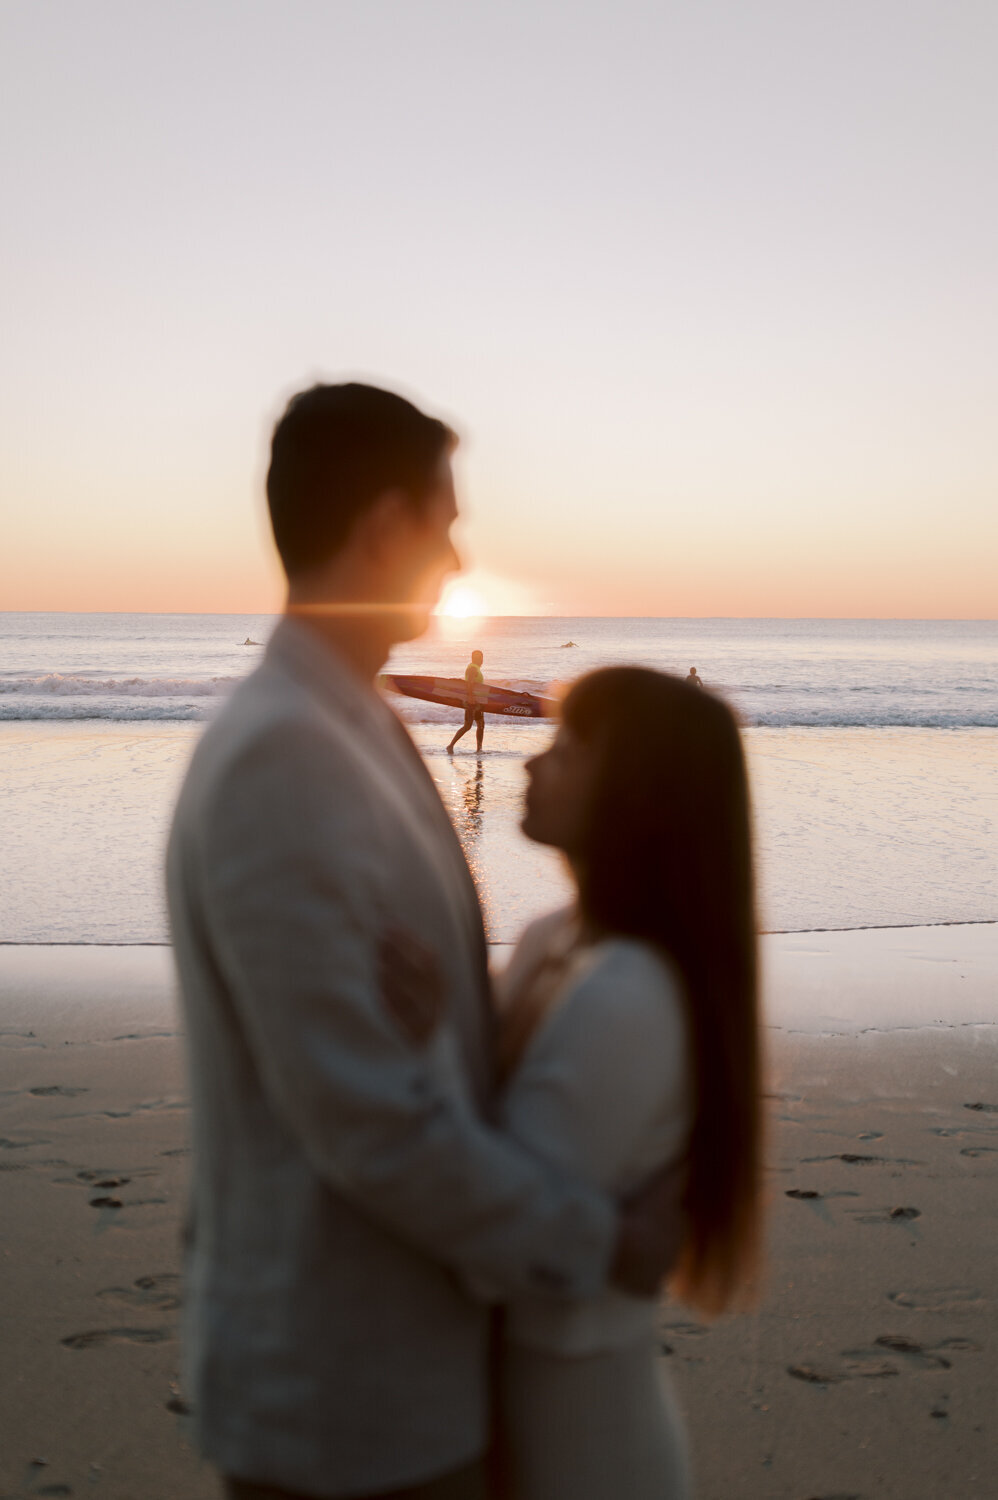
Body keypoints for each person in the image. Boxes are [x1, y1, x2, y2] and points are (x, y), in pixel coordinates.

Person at [166, 382, 685, 1500]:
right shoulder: (284, 755)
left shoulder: (349, 722)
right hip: (345, 1408)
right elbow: (365, 1125)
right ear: (383, 526)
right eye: (444, 524)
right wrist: (607, 1243)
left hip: (400, 1385)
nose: (454, 560)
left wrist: (448, 1004)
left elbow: (372, 1056)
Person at [385, 666, 762, 1500]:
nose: (531, 763)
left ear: (636, 792)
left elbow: (495, 1246)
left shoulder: (629, 991)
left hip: (583, 1442)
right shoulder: (552, 938)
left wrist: (419, 1051)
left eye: (568, 747)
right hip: (517, 1411)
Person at [447, 649, 485, 754]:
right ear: (475, 658)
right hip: (471, 702)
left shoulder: (475, 668)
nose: (482, 660)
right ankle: (450, 746)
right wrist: (471, 697)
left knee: (481, 725)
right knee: (468, 725)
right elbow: (469, 683)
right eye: (480, 657)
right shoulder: (472, 668)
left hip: (477, 702)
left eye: (482, 657)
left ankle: (479, 749)